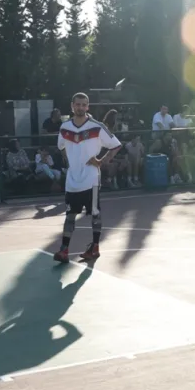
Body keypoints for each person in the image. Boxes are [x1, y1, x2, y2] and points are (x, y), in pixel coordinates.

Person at [52, 93, 121, 263]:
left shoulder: (97, 127)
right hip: (72, 181)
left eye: (84, 105)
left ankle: (95, 248)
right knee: (70, 215)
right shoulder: (64, 127)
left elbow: (116, 145)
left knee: (95, 213)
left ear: (88, 107)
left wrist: (101, 161)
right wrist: (70, 161)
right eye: (78, 104)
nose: (80, 107)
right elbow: (61, 147)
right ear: (72, 106)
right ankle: (64, 250)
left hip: (92, 180)